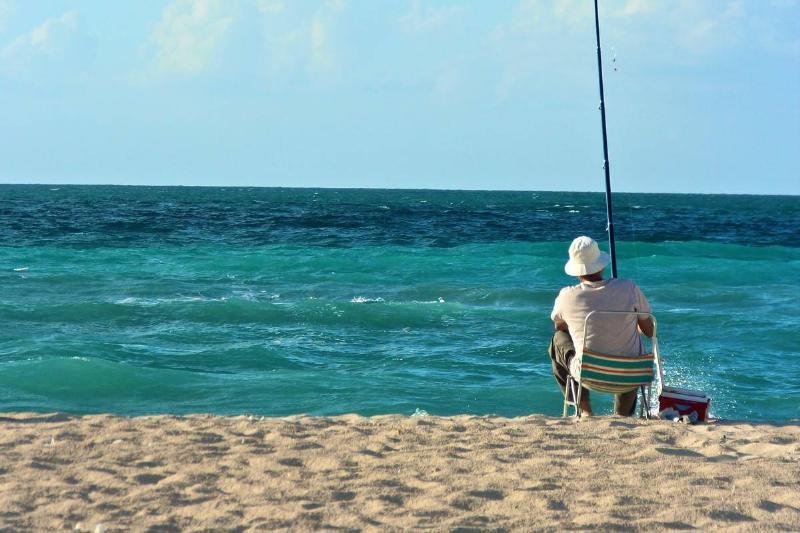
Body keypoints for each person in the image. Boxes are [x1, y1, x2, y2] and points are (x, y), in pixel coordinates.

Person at [548, 236, 654, 416]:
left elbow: (560, 327)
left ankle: (585, 410)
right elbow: (650, 331)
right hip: (632, 375)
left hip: (588, 375)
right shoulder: (628, 287)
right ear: (602, 265)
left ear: (576, 270)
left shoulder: (566, 296)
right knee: (628, 350)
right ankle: (623, 415)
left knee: (557, 340)